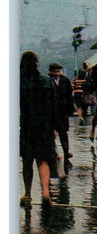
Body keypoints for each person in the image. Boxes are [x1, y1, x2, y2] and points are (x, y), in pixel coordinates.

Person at [20, 51, 56, 208]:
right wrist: (54, 126)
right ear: (37, 63)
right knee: (43, 159)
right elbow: (55, 105)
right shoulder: (47, 80)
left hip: (27, 126)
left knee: (28, 161)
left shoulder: (19, 82)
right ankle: (46, 192)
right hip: (45, 126)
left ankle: (28, 194)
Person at [48, 62, 74, 174]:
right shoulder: (47, 80)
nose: (56, 73)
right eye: (54, 71)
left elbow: (69, 95)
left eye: (58, 71)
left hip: (63, 112)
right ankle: (54, 152)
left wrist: (70, 109)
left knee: (64, 133)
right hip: (51, 112)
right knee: (51, 134)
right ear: (50, 72)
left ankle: (66, 151)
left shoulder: (65, 80)